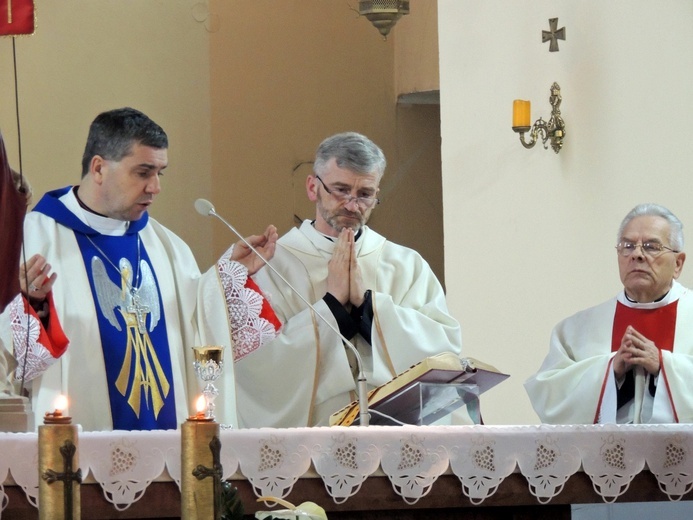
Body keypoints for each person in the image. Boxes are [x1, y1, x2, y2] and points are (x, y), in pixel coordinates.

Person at [0, 107, 280, 430]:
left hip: (169, 452)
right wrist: (30, 305)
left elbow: (197, 329)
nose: (155, 187)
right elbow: (13, 364)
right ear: (99, 168)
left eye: (161, 172)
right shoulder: (32, 239)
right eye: (143, 172)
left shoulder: (168, 247)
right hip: (77, 455)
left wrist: (226, 281)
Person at [234, 132, 462, 427]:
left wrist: (369, 306)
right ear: (313, 187)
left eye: (365, 194)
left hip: (394, 443)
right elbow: (258, 367)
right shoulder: (273, 264)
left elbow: (443, 352)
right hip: (311, 442)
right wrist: (333, 309)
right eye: (340, 190)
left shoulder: (406, 265)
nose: (353, 206)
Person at [525, 203, 693, 424]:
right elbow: (549, 396)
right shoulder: (576, 330)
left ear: (678, 264)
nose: (637, 255)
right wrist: (608, 370)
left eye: (651, 246)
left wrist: (664, 365)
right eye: (628, 246)